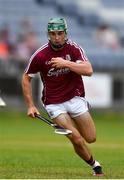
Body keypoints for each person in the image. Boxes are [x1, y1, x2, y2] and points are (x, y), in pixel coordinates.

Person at [22, 17, 104, 176]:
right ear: (48, 34)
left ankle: (75, 122)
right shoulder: (40, 55)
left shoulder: (74, 49)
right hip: (54, 104)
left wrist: (65, 63)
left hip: (75, 98)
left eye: (60, 33)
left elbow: (88, 70)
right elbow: (26, 77)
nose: (57, 37)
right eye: (53, 34)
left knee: (91, 138)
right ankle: (95, 166)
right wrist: (31, 105)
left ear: (65, 33)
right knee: (77, 139)